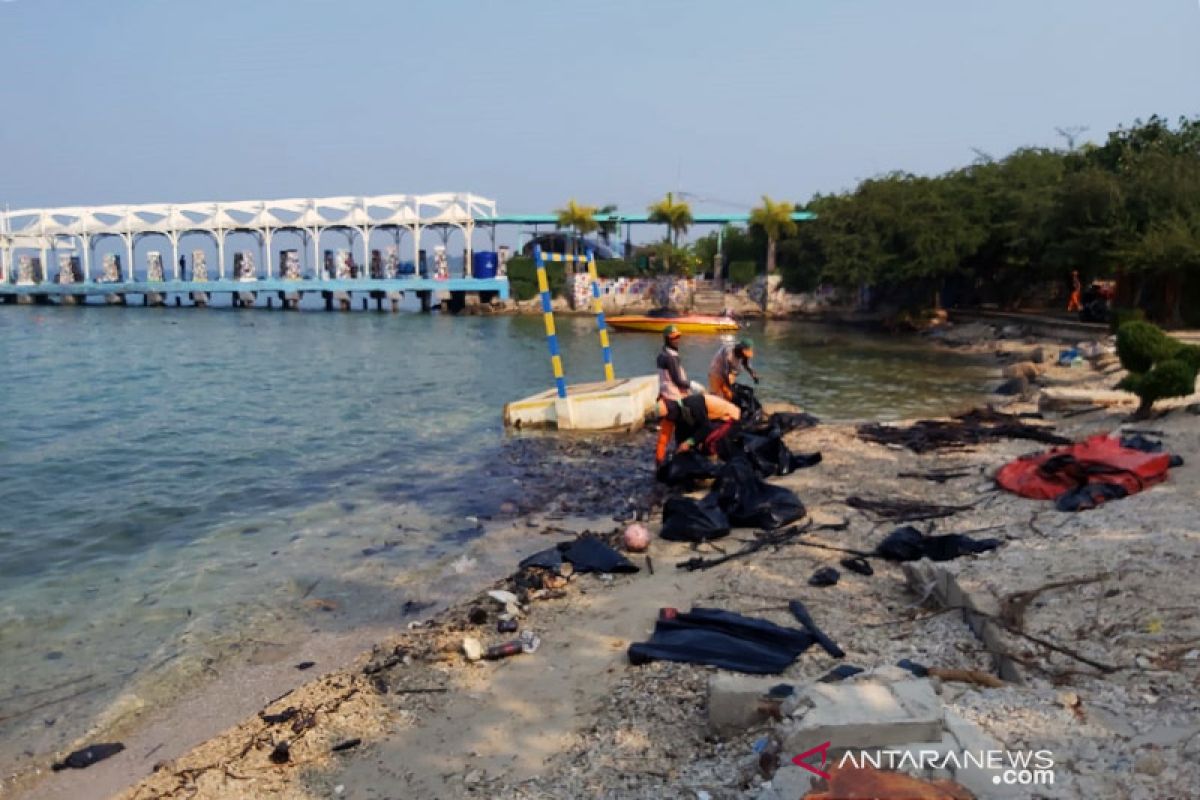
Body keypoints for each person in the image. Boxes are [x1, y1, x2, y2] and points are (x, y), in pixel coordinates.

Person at [655, 392, 741, 465]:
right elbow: (677, 436)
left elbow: (706, 427)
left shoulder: (693, 405)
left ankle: (714, 466)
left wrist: (689, 442)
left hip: (730, 417)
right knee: (692, 442)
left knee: (709, 441)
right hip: (712, 420)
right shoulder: (678, 414)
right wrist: (661, 460)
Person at [656, 325, 690, 402]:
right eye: (674, 338)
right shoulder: (671, 357)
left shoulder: (661, 355)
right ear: (667, 339)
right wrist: (692, 385)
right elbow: (678, 381)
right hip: (674, 396)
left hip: (664, 393)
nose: (677, 340)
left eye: (678, 337)